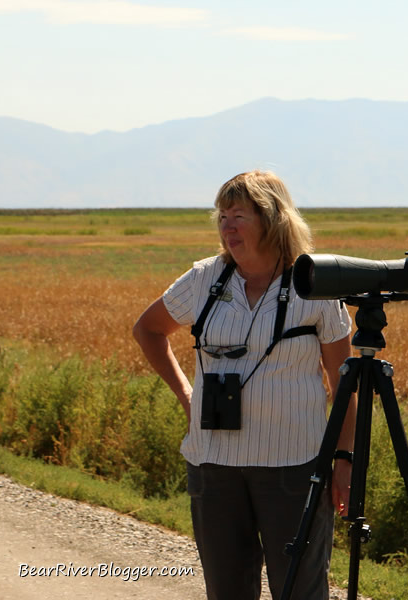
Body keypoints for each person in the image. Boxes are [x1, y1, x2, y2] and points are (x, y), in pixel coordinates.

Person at [132, 170, 355, 600]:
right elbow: (148, 329)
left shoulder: (316, 285)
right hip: (213, 465)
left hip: (294, 466)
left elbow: (345, 383)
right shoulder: (204, 279)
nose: (227, 226)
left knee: (300, 590)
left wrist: (343, 459)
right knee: (227, 590)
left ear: (273, 218)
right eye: (221, 216)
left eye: (238, 215)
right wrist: (187, 395)